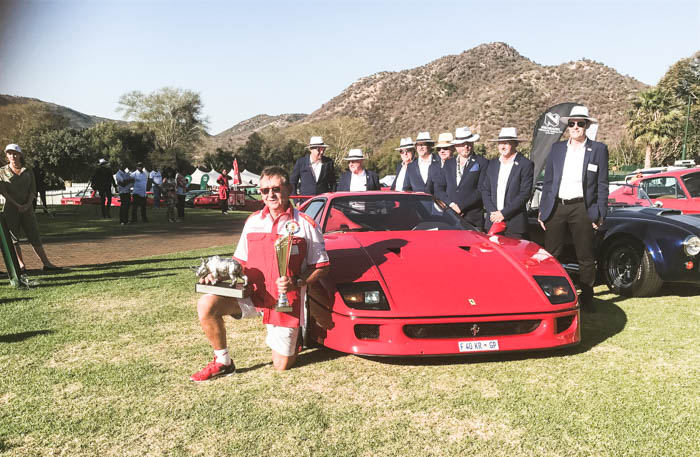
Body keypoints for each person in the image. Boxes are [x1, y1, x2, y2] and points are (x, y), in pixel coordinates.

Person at [191, 166, 330, 381]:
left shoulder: (305, 224)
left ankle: (296, 338)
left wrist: (297, 281)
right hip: (252, 295)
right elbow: (239, 262)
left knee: (281, 366)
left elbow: (321, 266)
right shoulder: (253, 221)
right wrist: (215, 276)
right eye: (265, 190)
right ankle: (223, 362)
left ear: (289, 189)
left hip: (285, 301)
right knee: (206, 304)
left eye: (276, 189)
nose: (270, 195)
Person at [538, 105, 609, 312]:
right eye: (572, 123)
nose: (576, 127)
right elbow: (548, 181)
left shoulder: (598, 150)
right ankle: (551, 295)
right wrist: (543, 209)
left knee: (585, 256)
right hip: (557, 206)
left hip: (582, 207)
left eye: (580, 123)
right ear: (567, 126)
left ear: (586, 126)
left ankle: (587, 298)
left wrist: (600, 212)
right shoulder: (557, 149)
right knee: (552, 254)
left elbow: (602, 184)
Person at [0, 144, 61, 272]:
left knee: (34, 234)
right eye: (9, 153)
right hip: (11, 208)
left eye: (15, 153)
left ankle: (46, 263)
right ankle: (20, 265)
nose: (12, 156)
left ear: (20, 154)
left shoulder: (28, 171)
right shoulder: (2, 171)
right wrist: (17, 205)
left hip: (27, 208)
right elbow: (4, 192)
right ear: (6, 155)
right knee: (13, 238)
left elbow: (33, 190)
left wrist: (27, 205)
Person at [481, 127, 534, 239]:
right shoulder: (492, 164)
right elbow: (485, 190)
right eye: (500, 143)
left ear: (515, 144)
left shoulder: (525, 164)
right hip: (493, 221)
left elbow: (524, 194)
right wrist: (493, 212)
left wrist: (503, 214)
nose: (503, 146)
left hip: (515, 224)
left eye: (506, 143)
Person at [434, 126, 489, 230]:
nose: (466, 146)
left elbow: (481, 189)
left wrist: (460, 206)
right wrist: (451, 205)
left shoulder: (482, 162)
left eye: (468, 143)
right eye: (462, 144)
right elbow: (439, 188)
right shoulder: (448, 164)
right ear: (456, 146)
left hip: (473, 219)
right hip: (450, 218)